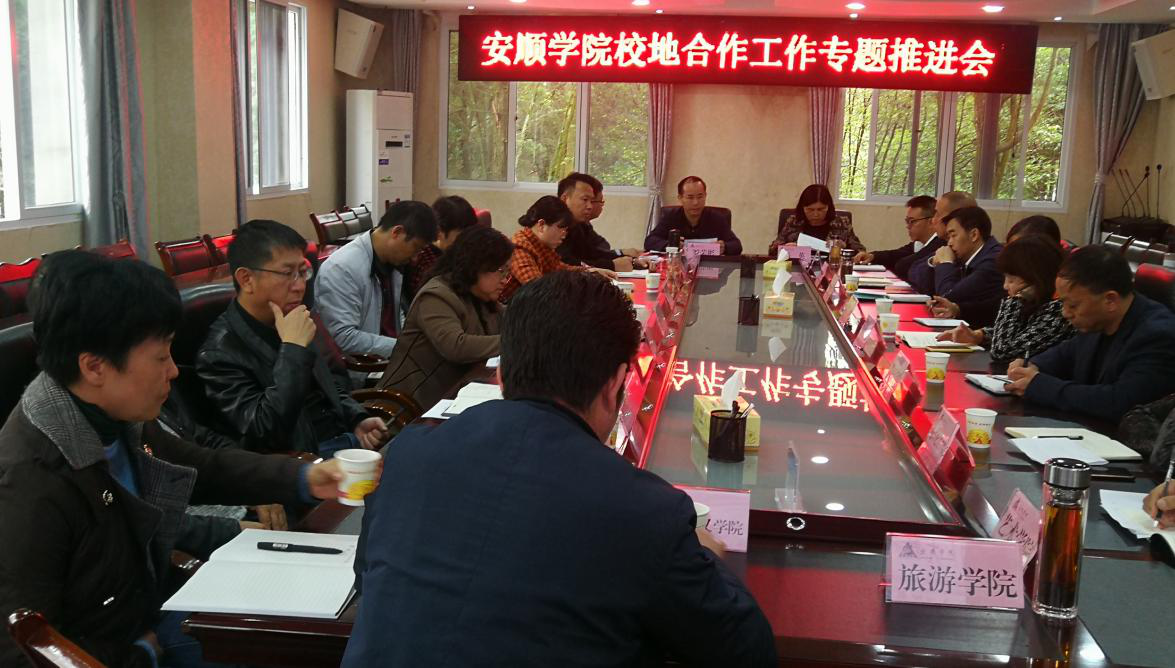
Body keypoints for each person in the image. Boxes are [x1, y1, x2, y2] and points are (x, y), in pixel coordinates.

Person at [344, 271, 777, 667]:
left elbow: (367, 579)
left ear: (502, 375)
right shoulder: (642, 510)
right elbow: (747, 651)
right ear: (615, 385)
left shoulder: (409, 454)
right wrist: (706, 555)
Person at [0, 250, 358, 668]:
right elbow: (22, 649)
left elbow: (200, 467)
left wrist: (307, 478)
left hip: (156, 615)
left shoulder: (115, 419)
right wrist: (143, 653)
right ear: (95, 367)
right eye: (161, 357)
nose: (173, 371)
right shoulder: (30, 479)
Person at [197, 220, 389, 455]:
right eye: (288, 273)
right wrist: (293, 348)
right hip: (302, 462)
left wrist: (356, 418)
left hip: (342, 441)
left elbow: (328, 385)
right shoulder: (219, 353)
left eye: (302, 272)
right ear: (246, 279)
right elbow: (264, 431)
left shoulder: (291, 316)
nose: (300, 286)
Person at [1005, 246, 1175, 422]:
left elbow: (1120, 402)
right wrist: (1031, 365)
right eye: (1063, 303)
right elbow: (1065, 354)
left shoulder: (1158, 336)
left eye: (1073, 305)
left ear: (1110, 300)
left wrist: (1039, 386)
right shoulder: (1097, 322)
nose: (1065, 313)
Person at [377, 226, 512, 411]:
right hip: (407, 405)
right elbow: (456, 346)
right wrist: (515, 341)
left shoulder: (481, 296)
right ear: (476, 267)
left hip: (452, 397)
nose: (505, 279)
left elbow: (513, 319)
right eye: (501, 270)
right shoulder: (436, 295)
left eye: (507, 271)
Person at [314, 201, 438, 358]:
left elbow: (396, 317)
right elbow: (343, 338)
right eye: (416, 248)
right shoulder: (342, 268)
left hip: (388, 356)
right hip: (362, 366)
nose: (415, 258)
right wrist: (405, 347)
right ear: (397, 232)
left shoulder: (392, 261)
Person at [936, 235, 1075, 363]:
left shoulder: (1059, 312)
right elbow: (1021, 333)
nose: (1005, 286)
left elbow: (1002, 351)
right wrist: (979, 335)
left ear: (1036, 279)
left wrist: (1015, 300)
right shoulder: (1039, 304)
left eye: (1012, 280)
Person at [929, 215, 1062, 328]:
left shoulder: (1060, 295)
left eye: (1020, 250)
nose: (1012, 255)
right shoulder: (1018, 275)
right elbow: (995, 305)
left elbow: (1007, 344)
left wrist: (945, 264)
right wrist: (957, 309)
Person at [499, 196, 615, 302]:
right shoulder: (519, 247)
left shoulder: (540, 246)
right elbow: (538, 289)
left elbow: (561, 268)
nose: (564, 234)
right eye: (561, 228)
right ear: (541, 225)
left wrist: (591, 271)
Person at [556, 172, 643, 271]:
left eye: (591, 201)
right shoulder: (554, 225)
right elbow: (566, 263)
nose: (590, 206)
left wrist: (631, 261)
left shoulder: (578, 225)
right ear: (565, 199)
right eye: (585, 199)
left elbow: (593, 253)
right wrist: (611, 265)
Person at [403, 195, 479, 305]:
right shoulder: (425, 262)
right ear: (439, 232)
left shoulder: (460, 254)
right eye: (461, 234)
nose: (468, 240)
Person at [924, 206, 1005, 304]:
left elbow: (948, 299)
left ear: (974, 235)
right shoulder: (968, 255)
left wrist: (945, 263)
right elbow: (918, 280)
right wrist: (935, 262)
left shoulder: (992, 262)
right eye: (948, 237)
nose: (949, 243)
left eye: (953, 235)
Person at [644, 176, 743, 255]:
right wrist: (671, 245)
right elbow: (650, 241)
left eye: (700, 197)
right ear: (680, 198)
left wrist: (724, 247)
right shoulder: (671, 216)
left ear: (705, 196)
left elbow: (737, 245)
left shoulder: (717, 218)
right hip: (679, 267)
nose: (696, 202)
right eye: (690, 197)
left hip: (710, 268)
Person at [908, 191, 978, 296]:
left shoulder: (983, 259)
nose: (933, 220)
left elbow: (950, 296)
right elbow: (913, 272)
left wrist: (945, 263)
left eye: (938, 214)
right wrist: (933, 262)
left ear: (955, 217)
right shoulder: (947, 245)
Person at [853, 195, 941, 278]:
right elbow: (895, 255)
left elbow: (903, 266)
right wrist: (872, 256)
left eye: (912, 221)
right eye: (907, 221)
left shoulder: (939, 245)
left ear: (931, 222)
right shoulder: (919, 243)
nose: (908, 226)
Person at [771, 183, 863, 256]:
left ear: (828, 207)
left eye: (821, 209)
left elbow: (860, 251)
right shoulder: (793, 221)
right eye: (810, 210)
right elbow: (772, 251)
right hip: (797, 269)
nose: (816, 214)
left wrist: (844, 247)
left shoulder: (842, 223)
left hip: (831, 269)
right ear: (802, 208)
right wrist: (785, 248)